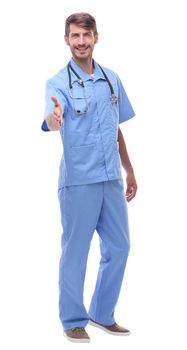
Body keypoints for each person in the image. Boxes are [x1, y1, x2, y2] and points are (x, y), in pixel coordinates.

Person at [41, 12, 137, 343]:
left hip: (111, 178)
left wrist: (130, 170)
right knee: (76, 250)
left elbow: (116, 127)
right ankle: (72, 319)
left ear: (96, 37)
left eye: (86, 35)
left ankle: (102, 313)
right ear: (66, 40)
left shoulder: (112, 79)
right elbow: (53, 121)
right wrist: (56, 117)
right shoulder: (57, 84)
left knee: (120, 246)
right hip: (79, 180)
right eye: (74, 36)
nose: (81, 41)